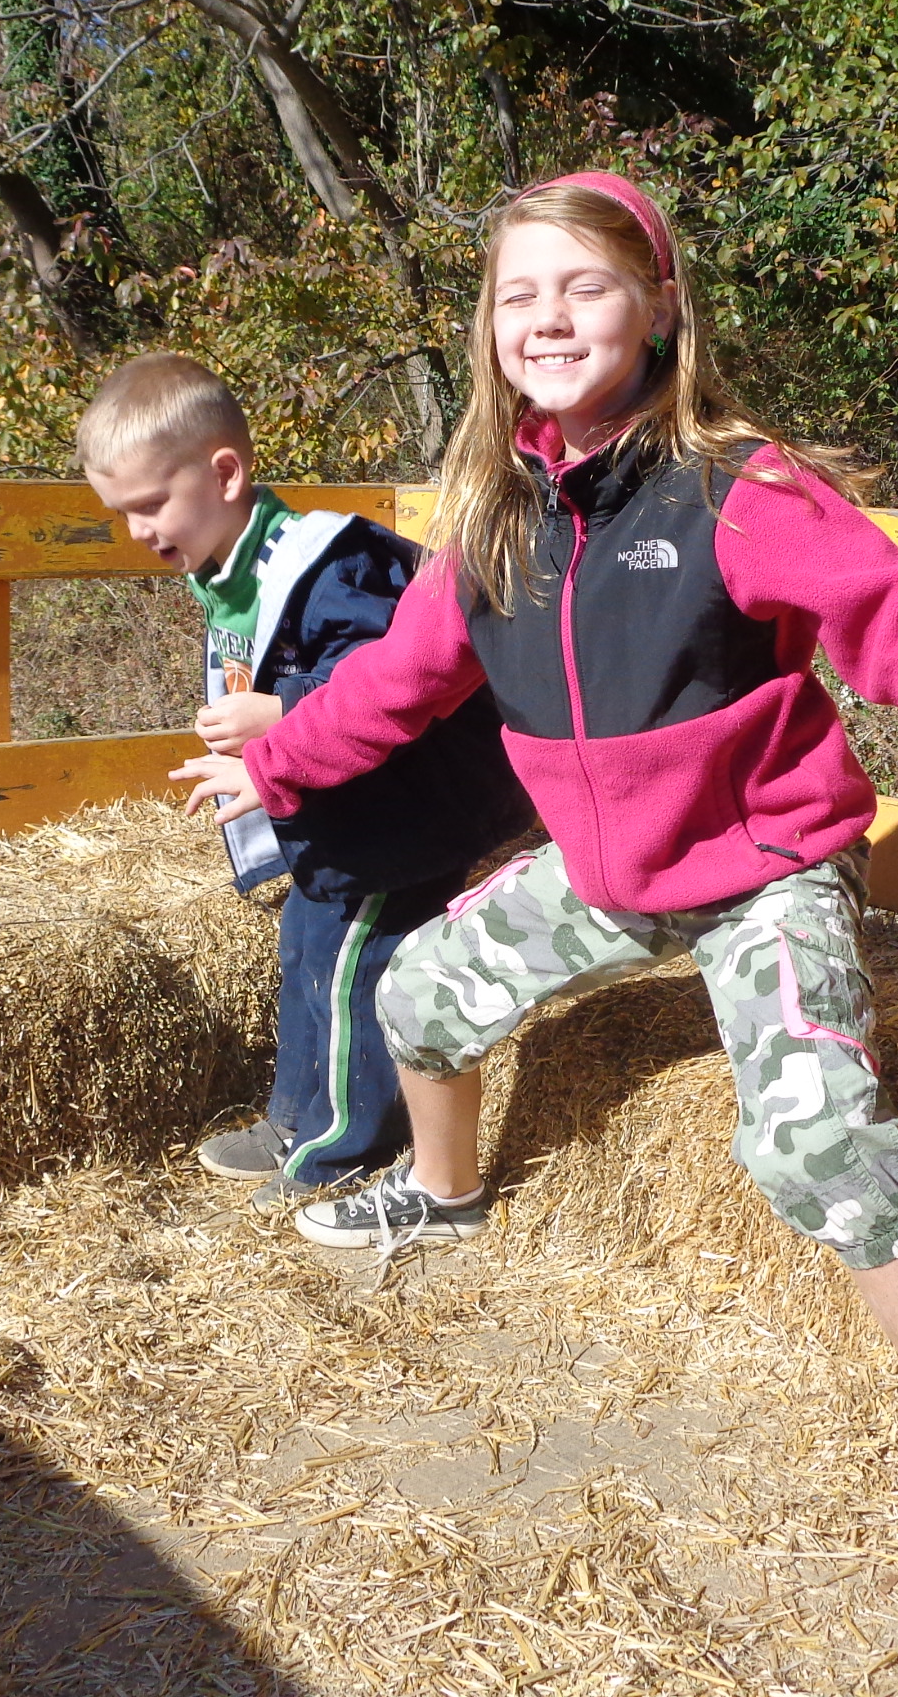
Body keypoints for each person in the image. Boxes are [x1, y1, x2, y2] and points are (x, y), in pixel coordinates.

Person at [174, 176, 898, 1632]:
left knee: (818, 1141)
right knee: (418, 991)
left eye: (584, 287)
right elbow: (396, 686)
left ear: (657, 307)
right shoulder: (495, 521)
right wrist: (276, 761)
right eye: (518, 296)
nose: (548, 319)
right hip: (610, 873)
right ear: (487, 329)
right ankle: (448, 1196)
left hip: (768, 869)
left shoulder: (741, 490)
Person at [80, 353, 532, 1205]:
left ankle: (342, 1151)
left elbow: (395, 670)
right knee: (307, 953)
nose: (138, 529)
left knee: (355, 976)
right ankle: (295, 1119)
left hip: (401, 819)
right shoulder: (235, 565)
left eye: (150, 503)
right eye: (122, 512)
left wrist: (282, 707)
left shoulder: (329, 563)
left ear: (224, 474)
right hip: (339, 813)